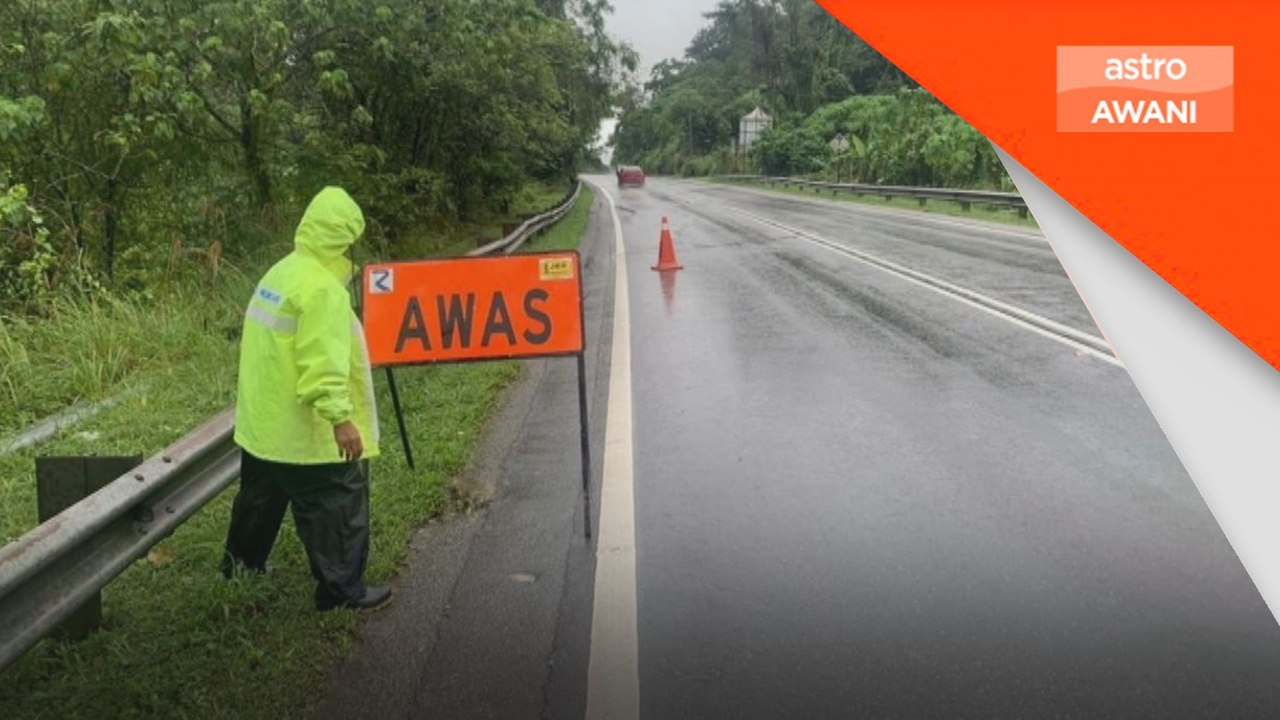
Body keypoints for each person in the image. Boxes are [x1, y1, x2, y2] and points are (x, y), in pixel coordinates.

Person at [221, 186, 390, 612]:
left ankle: (241, 568)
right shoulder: (323, 291)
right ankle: (340, 592)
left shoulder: (280, 272)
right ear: (344, 240)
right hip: (304, 431)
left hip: (264, 426)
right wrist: (341, 419)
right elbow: (322, 362)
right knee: (336, 503)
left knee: (258, 500)